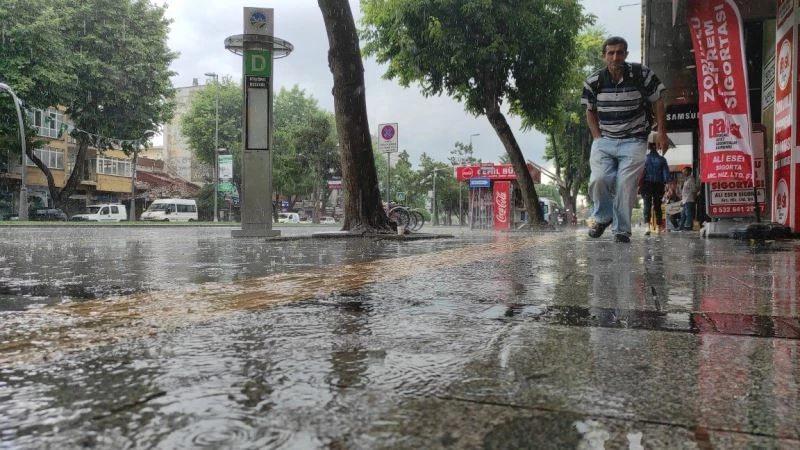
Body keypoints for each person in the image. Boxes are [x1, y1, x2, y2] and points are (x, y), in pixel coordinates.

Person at [582, 36, 668, 243]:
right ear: (604, 56)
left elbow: (658, 101)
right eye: (610, 53)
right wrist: (597, 138)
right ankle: (603, 217)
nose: (615, 57)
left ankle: (621, 230)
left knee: (625, 184)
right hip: (604, 140)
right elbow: (590, 111)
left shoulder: (642, 74)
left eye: (620, 52)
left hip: (634, 140)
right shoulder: (593, 81)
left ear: (626, 54)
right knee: (598, 180)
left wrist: (661, 132)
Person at [641, 132, 671, 236]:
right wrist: (667, 184)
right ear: (658, 146)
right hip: (659, 185)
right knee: (658, 205)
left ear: (649, 146)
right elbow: (666, 175)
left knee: (647, 204)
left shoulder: (645, 158)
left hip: (647, 184)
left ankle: (647, 227)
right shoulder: (662, 159)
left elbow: (641, 172)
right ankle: (658, 227)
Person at [680, 166, 698, 231]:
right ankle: (681, 227)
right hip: (685, 200)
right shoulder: (686, 180)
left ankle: (688, 226)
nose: (683, 173)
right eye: (683, 172)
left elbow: (694, 190)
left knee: (688, 214)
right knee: (683, 215)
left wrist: (694, 198)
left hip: (689, 200)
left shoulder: (691, 180)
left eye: (685, 171)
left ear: (689, 172)